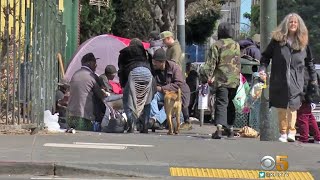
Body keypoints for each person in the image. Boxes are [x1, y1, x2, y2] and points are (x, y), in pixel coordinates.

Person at [259, 13, 317, 142]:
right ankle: (283, 132)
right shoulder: (277, 41)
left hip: (297, 80)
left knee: (293, 106)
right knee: (281, 107)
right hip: (279, 79)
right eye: (291, 22)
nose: (293, 24)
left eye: (295, 22)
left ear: (299, 25)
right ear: (286, 24)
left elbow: (310, 63)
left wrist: (313, 79)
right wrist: (262, 70)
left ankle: (291, 131)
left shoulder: (303, 43)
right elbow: (265, 57)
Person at [199, 22, 241, 139]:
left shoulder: (217, 45)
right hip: (235, 80)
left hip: (222, 79)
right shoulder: (236, 45)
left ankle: (218, 129)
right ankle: (230, 128)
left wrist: (205, 77)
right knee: (230, 102)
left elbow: (211, 64)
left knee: (221, 102)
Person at [118, 38, 155, 133]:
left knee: (127, 99)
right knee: (147, 100)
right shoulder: (146, 53)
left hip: (133, 73)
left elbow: (121, 70)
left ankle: (131, 124)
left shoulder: (124, 53)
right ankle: (145, 124)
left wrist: (123, 85)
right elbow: (152, 69)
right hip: (147, 73)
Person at [150, 48, 191, 130]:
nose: (153, 63)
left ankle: (156, 120)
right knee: (151, 95)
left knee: (169, 102)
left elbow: (178, 83)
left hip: (178, 93)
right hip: (163, 92)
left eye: (155, 62)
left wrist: (162, 88)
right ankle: (156, 120)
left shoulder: (174, 67)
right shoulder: (154, 69)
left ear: (162, 62)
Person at [67, 53, 108, 131]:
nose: (96, 65)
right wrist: (104, 92)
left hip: (71, 117)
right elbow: (101, 96)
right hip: (85, 119)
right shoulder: (92, 76)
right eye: (95, 63)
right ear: (90, 63)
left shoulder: (75, 74)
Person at [297, 65, 320, 144]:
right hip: (310, 97)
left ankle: (304, 138)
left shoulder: (304, 71)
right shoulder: (312, 71)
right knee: (309, 118)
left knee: (302, 117)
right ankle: (317, 137)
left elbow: (304, 86)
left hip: (305, 97)